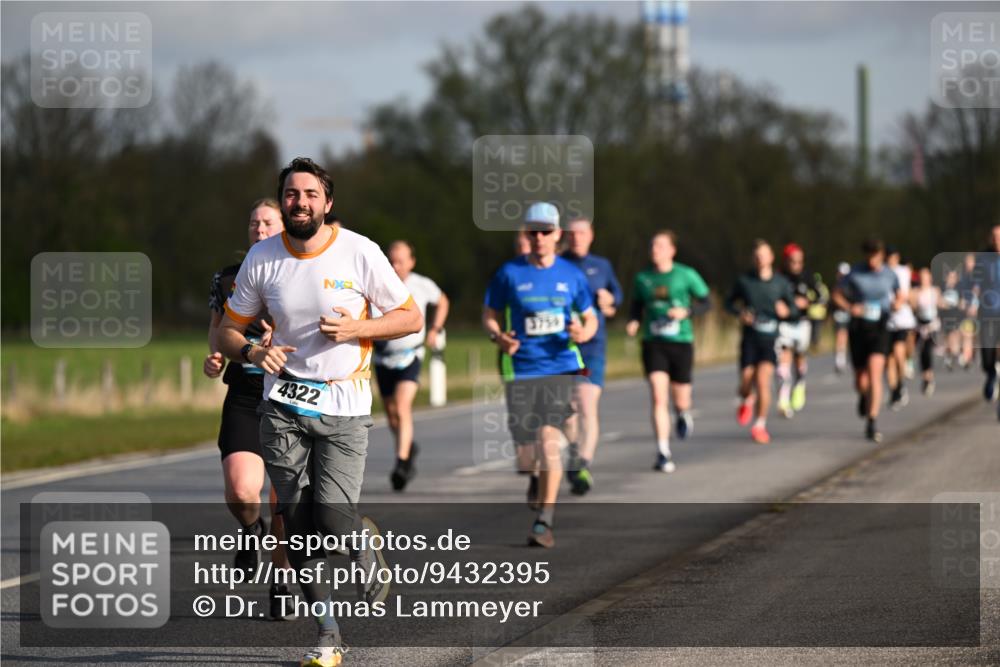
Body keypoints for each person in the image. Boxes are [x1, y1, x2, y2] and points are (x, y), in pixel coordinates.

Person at [217, 158, 423, 667]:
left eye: (310, 194)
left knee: (331, 522)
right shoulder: (262, 258)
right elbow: (225, 329)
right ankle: (328, 636)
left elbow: (410, 316)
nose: (300, 202)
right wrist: (250, 352)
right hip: (283, 403)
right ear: (281, 200)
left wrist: (358, 330)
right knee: (294, 521)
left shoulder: (359, 251)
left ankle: (361, 536)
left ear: (327, 203)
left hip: (345, 404)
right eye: (291, 194)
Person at [483, 202, 597, 548]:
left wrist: (584, 333)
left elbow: (590, 317)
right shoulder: (508, 274)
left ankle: (544, 521)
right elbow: (489, 314)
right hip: (520, 369)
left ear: (557, 234)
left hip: (558, 366)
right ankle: (533, 475)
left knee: (549, 440)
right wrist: (497, 336)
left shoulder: (571, 275)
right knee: (525, 448)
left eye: (545, 231)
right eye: (532, 231)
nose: (538, 237)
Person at [204, 199, 294, 620]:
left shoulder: (305, 274)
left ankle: (282, 580)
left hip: (292, 399)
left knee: (283, 504)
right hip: (244, 394)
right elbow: (217, 331)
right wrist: (216, 357)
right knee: (242, 492)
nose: (259, 228)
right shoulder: (226, 280)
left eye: (267, 222)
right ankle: (248, 529)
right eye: (253, 222)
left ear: (283, 226)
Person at [626, 230, 710, 471]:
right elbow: (636, 305)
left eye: (661, 246)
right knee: (657, 395)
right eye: (652, 245)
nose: (655, 250)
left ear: (672, 250)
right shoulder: (643, 278)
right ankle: (663, 451)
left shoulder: (685, 275)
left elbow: (706, 302)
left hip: (681, 342)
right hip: (654, 342)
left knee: (681, 398)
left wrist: (687, 312)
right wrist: (633, 321)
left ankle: (683, 414)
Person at [373, 240, 449, 492]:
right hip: (382, 356)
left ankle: (402, 464)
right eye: (391, 261)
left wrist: (435, 329)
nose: (395, 266)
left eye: (400, 261)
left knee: (403, 406)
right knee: (392, 414)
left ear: (411, 262)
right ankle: (408, 447)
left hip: (410, 355)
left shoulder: (421, 285)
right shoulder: (377, 283)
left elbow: (443, 301)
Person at [560, 218, 623, 493]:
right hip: (562, 346)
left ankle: (581, 465)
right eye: (572, 233)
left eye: (582, 233)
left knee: (586, 404)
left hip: (593, 345)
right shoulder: (557, 263)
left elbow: (616, 297)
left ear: (591, 235)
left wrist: (609, 300)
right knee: (567, 413)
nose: (577, 238)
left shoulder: (602, 265)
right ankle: (575, 450)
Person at [832, 238, 903, 444]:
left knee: (875, 373)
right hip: (859, 328)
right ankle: (864, 396)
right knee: (861, 380)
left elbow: (900, 295)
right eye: (869, 255)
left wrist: (897, 304)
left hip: (880, 327)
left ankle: (872, 421)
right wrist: (849, 307)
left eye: (876, 255)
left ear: (882, 255)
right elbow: (836, 294)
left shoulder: (890, 274)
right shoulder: (854, 273)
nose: (872, 260)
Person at [725, 240, 796, 444]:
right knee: (747, 381)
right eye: (757, 255)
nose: (760, 259)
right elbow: (728, 303)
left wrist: (786, 311)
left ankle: (760, 425)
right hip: (749, 339)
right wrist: (740, 313)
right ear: (753, 259)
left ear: (771, 257)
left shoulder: (780, 283)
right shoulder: (745, 281)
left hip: (770, 339)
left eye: (764, 255)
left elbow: (793, 311)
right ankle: (746, 398)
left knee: (763, 380)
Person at [776, 243, 825, 418]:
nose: (796, 265)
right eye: (792, 261)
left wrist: (808, 303)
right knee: (784, 357)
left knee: (799, 356)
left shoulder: (808, 276)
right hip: (784, 324)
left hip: (802, 323)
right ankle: (783, 399)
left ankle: (800, 383)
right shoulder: (779, 277)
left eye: (799, 261)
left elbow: (821, 296)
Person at [971, 224, 1000, 406]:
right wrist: (972, 303)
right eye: (995, 237)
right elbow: (975, 284)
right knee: (987, 355)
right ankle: (991, 373)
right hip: (988, 312)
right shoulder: (983, 258)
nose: (997, 240)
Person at [885, 247, 917, 410]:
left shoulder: (903, 271)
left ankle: (901, 383)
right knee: (888, 360)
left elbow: (906, 292)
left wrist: (902, 302)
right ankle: (894, 390)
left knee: (899, 352)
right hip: (885, 321)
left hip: (902, 319)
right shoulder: (881, 272)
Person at [911, 267, 941, 396]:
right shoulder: (915, 292)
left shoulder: (935, 291)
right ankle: (925, 377)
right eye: (922, 277)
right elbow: (912, 308)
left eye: (926, 277)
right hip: (919, 325)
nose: (924, 280)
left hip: (932, 325)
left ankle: (929, 377)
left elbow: (941, 304)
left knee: (928, 351)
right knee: (921, 352)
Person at [832, 262, 852, 374]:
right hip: (840, 313)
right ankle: (840, 359)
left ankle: (843, 357)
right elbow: (834, 299)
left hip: (850, 314)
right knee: (841, 335)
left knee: (847, 336)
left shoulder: (851, 285)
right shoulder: (837, 286)